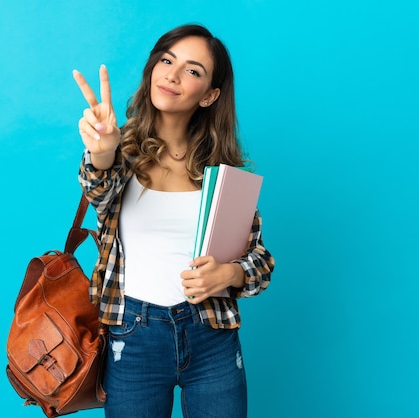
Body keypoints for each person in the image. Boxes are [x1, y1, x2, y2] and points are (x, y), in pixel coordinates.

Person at [73, 24, 275, 418]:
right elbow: (98, 190)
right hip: (132, 335)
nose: (173, 74)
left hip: (211, 336)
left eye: (193, 70)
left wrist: (229, 275)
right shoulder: (120, 152)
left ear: (210, 95)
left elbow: (261, 262)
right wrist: (101, 152)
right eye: (166, 60)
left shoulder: (223, 173)